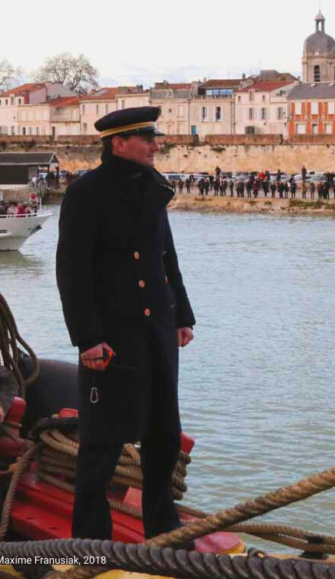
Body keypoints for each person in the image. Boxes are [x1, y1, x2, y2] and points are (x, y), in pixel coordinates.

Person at [56, 106, 196, 543]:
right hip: (111, 337)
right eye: (147, 138)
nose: (156, 146)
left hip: (157, 328)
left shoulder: (153, 187)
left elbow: (165, 255)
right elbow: (72, 271)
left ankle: (163, 529)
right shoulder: (85, 193)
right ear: (119, 144)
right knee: (103, 442)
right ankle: (91, 540)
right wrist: (88, 339)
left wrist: (183, 315)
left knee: (162, 436)